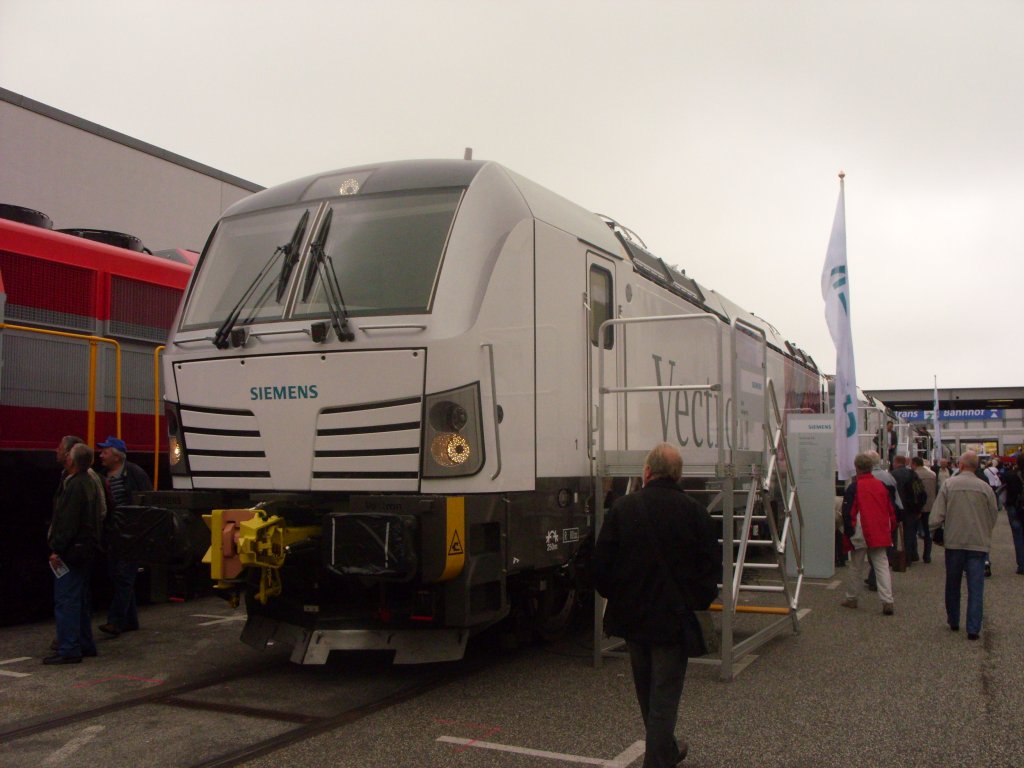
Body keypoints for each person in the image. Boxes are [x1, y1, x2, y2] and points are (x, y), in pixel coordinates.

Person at [593, 443, 720, 767]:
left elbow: (601, 568)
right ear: (678, 475)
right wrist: (693, 602)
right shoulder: (696, 512)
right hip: (673, 620)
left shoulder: (623, 509)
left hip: (633, 619)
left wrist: (617, 596)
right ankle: (660, 757)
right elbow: (710, 573)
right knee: (664, 694)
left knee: (647, 692)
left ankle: (664, 751)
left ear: (647, 472)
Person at [930, 451, 998, 640]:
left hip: (954, 541)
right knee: (976, 586)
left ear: (960, 465)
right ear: (976, 467)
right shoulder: (985, 488)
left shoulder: (949, 485)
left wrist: (934, 530)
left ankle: (953, 619)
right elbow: (993, 514)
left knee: (953, 582)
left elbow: (937, 515)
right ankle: (973, 628)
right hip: (978, 542)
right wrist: (985, 532)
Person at [46, 443, 102, 664]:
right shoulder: (87, 482)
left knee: (66, 600)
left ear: (72, 460)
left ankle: (69, 648)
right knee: (79, 600)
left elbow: (68, 522)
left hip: (72, 551)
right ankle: (85, 644)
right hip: (84, 549)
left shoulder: (75, 485)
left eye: (67, 453)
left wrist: (56, 548)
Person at [97, 435, 152, 637]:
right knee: (118, 576)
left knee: (124, 577)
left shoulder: (135, 473)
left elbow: (148, 500)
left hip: (131, 534)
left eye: (105, 451)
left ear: (117, 456)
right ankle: (131, 621)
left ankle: (116, 621)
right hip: (114, 534)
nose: (101, 455)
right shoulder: (103, 476)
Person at [840, 452, 898, 615]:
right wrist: (890, 527)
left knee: (856, 566)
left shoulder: (854, 487)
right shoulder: (881, 486)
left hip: (860, 531)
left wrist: (849, 531)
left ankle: (852, 598)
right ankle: (887, 600)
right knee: (881, 565)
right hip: (879, 530)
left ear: (857, 467)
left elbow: (848, 512)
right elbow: (890, 509)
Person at [891, 455, 923, 563]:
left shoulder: (892, 475)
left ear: (896, 462)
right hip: (911, 508)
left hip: (896, 508)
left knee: (893, 532)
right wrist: (918, 509)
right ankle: (909, 557)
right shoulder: (912, 474)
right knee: (909, 533)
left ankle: (893, 557)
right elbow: (920, 492)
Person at [1000, 455, 1024, 575]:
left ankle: (1022, 564)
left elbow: (1003, 491)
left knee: (1018, 536)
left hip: (1014, 507)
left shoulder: (1009, 475)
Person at [911, 456, 937, 563]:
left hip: (917, 507)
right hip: (930, 506)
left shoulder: (913, 475)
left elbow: (914, 492)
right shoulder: (932, 475)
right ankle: (927, 555)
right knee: (928, 532)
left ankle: (915, 554)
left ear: (914, 464)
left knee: (913, 531)